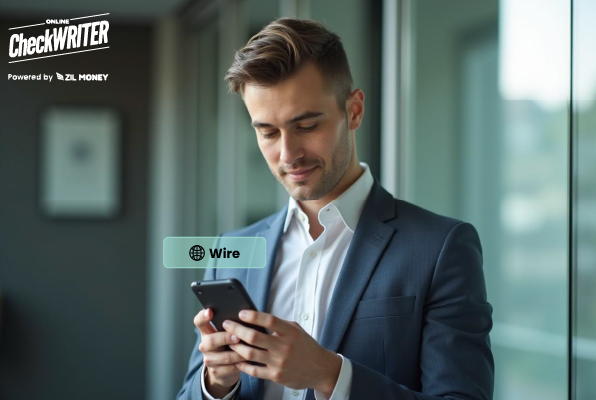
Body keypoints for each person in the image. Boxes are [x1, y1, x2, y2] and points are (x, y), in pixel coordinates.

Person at [177, 18, 494, 400]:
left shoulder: (441, 247)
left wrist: (330, 375)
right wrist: (215, 384)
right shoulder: (230, 250)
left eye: (307, 125)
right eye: (268, 132)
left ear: (354, 111)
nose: (288, 154)